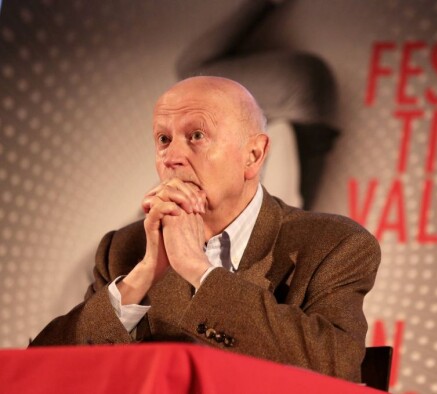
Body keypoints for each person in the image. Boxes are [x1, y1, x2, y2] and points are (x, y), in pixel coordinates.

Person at [30, 76, 381, 382]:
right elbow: (40, 370)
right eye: (163, 140)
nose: (171, 157)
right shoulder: (125, 247)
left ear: (254, 155)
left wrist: (199, 272)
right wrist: (144, 276)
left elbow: (336, 366)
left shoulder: (335, 244)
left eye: (196, 135)